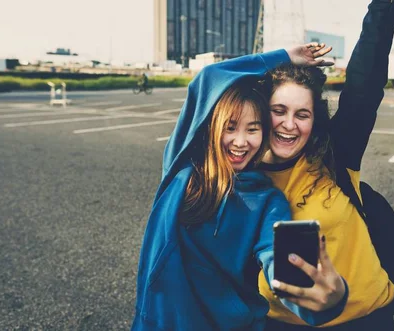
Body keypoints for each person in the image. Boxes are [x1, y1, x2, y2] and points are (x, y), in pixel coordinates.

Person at [132, 45, 348, 331]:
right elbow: (209, 77)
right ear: (212, 128)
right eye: (230, 127)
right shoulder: (182, 169)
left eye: (253, 128)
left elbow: (281, 264)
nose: (240, 141)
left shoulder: (270, 200)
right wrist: (282, 57)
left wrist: (321, 295)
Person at [255, 1, 394, 330]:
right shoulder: (240, 174)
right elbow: (206, 89)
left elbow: (365, 82)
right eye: (279, 110)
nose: (289, 124)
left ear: (314, 121)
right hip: (278, 324)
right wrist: (278, 58)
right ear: (261, 112)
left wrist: (384, 7)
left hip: (363, 321)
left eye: (301, 114)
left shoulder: (333, 157)